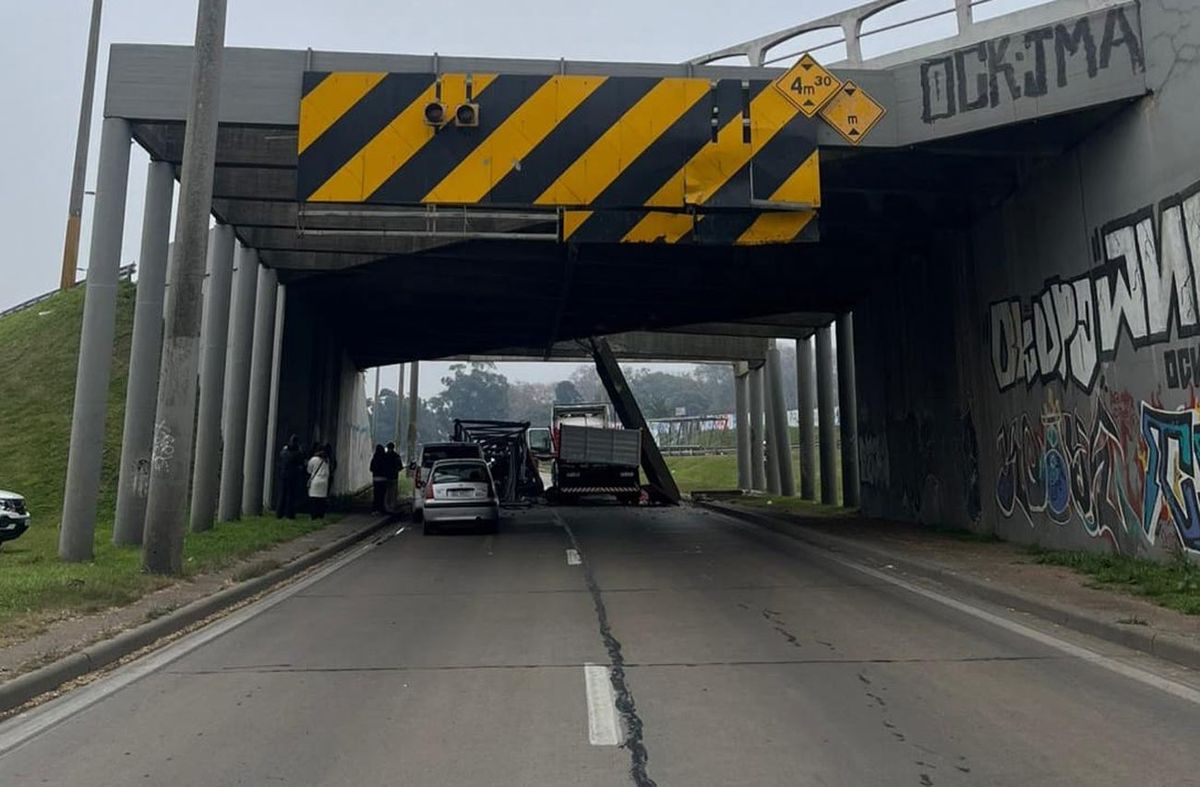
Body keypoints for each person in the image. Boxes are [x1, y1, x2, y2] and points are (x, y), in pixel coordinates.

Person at [276, 435, 304, 519]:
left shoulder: (284, 452)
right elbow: (301, 460)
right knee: (291, 496)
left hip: (283, 475)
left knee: (282, 494)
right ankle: (289, 513)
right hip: (292, 476)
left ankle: (279, 513)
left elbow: (281, 458)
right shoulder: (297, 453)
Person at [306, 446, 331, 519]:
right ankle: (321, 515)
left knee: (314, 499)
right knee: (321, 499)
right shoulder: (326, 460)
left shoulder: (313, 459)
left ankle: (313, 515)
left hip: (315, 480)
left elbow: (309, 470)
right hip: (324, 481)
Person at [384, 441, 402, 512]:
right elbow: (400, 467)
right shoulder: (397, 456)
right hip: (394, 477)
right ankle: (392, 506)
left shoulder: (385, 456)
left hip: (386, 477)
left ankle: (386, 507)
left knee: (387, 492)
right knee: (393, 493)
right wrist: (396, 470)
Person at [369, 444, 387, 513]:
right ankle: (381, 509)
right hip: (383, 479)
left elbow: (371, 468)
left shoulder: (374, 459)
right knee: (382, 496)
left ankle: (375, 509)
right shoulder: (384, 458)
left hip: (376, 479)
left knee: (376, 495)